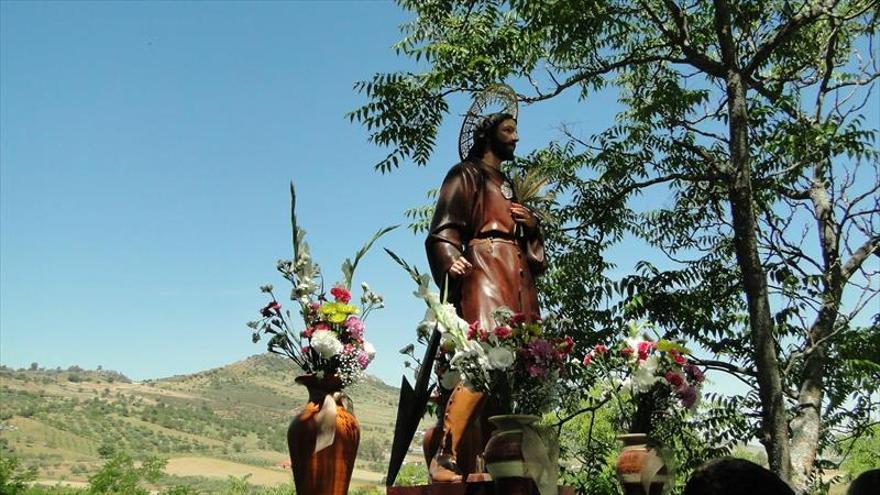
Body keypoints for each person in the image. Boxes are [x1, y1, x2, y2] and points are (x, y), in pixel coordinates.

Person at [424, 112, 546, 482]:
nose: (516, 137)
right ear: (487, 135)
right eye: (508, 131)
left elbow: (534, 250)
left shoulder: (508, 183)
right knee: (483, 355)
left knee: (515, 365)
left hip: (516, 274)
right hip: (485, 270)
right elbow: (443, 228)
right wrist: (450, 256)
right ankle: (446, 452)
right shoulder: (466, 174)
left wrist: (532, 227)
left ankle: (500, 460)